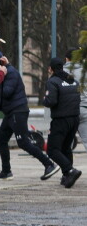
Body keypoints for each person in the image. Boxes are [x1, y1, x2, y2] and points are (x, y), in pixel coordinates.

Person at [0, 51, 59, 181]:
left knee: (23, 142)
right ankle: (6, 171)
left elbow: (6, 92)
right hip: (11, 112)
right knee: (1, 139)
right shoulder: (6, 72)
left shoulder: (10, 73)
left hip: (17, 111)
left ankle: (49, 164)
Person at [43, 57, 82, 188]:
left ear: (51, 69)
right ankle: (67, 176)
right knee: (66, 148)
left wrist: (45, 99)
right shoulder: (73, 81)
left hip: (60, 120)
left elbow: (51, 101)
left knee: (52, 149)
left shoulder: (53, 81)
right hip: (74, 119)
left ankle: (70, 170)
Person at [64, 48, 86, 153]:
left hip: (67, 111)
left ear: (66, 59)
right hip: (84, 108)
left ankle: (68, 167)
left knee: (66, 144)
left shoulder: (61, 72)